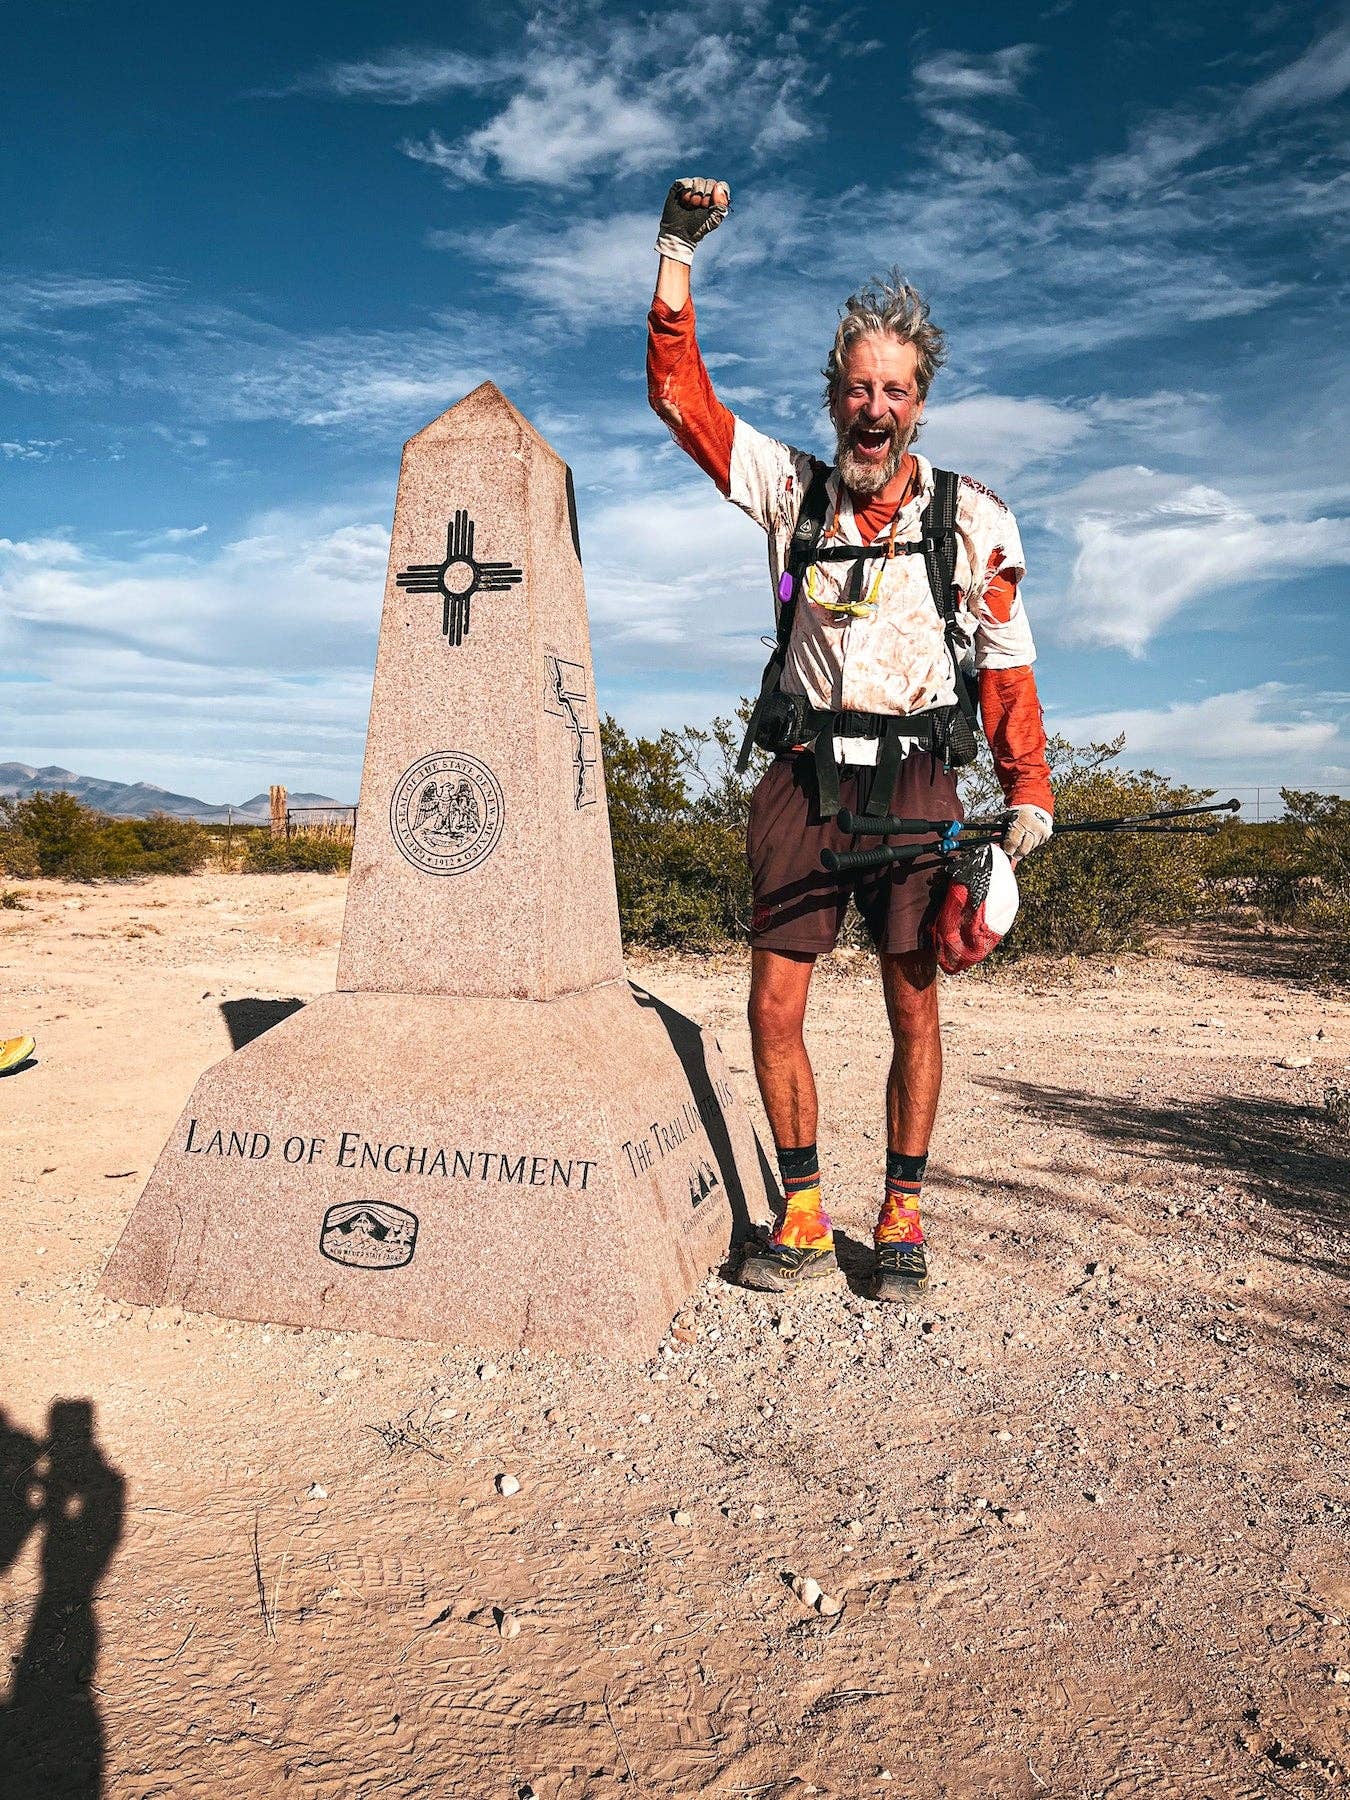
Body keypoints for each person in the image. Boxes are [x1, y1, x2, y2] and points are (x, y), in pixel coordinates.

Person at [647, 178, 1055, 1302]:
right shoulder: (792, 491)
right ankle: (805, 1214)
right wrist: (676, 254)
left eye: (896, 391)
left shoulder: (973, 517)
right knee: (772, 1005)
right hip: (800, 778)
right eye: (858, 388)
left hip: (920, 780)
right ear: (833, 396)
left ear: (920, 404)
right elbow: (680, 399)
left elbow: (1010, 659)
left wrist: (1030, 795)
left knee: (910, 997)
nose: (874, 409)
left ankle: (905, 1215)